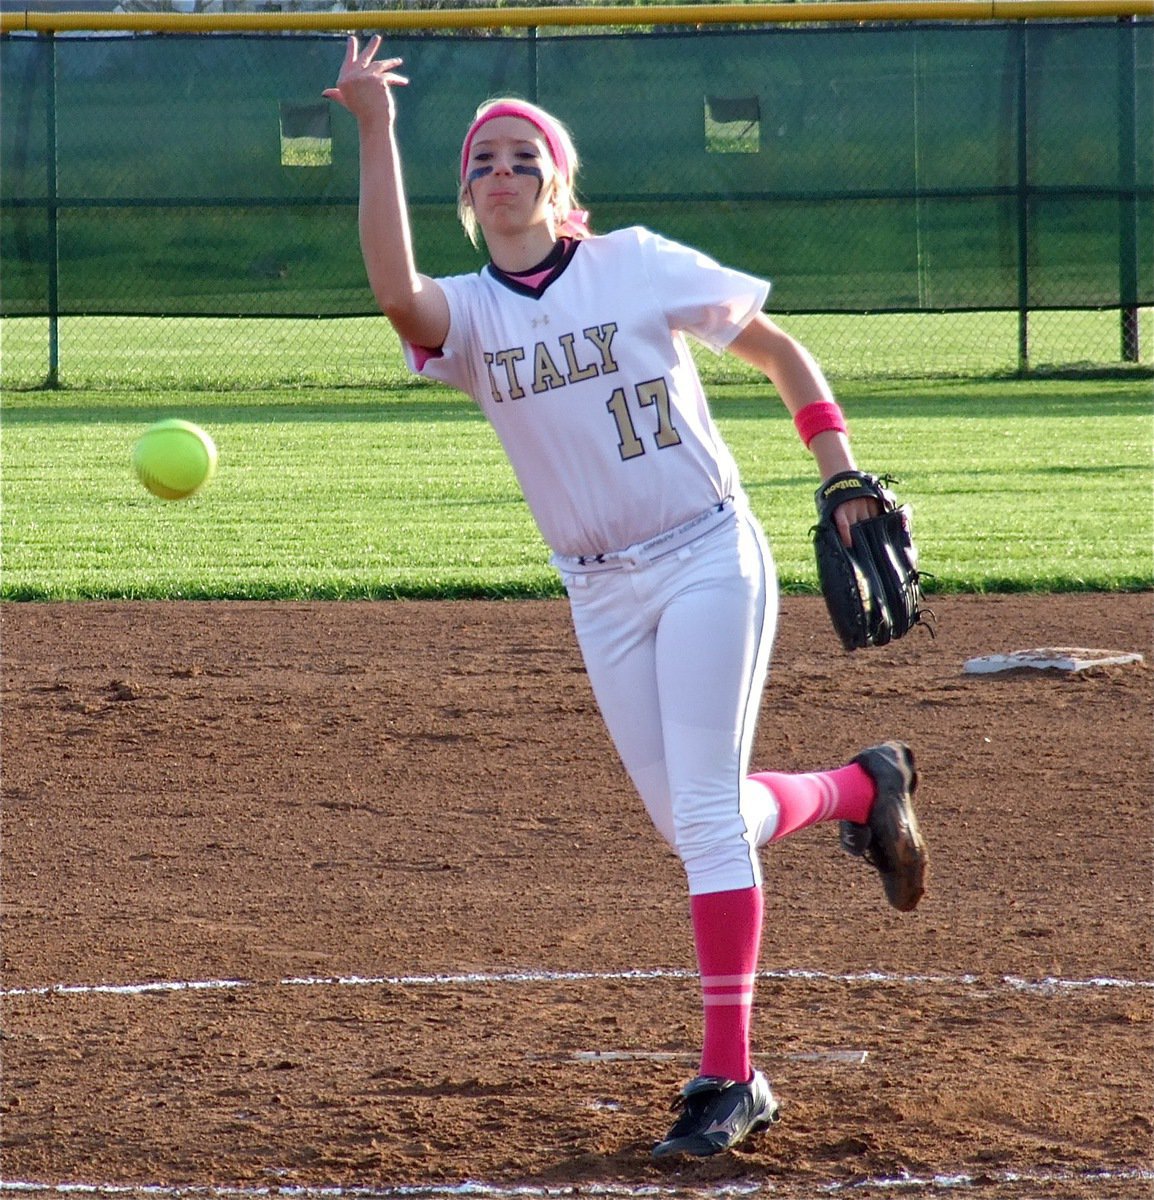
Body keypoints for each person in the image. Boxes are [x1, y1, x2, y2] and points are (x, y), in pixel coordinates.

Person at [324, 35, 928, 1160]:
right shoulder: (467, 316)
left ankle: (729, 1076)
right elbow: (393, 294)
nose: (501, 173)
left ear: (560, 185)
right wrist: (374, 128)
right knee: (694, 823)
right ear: (466, 194)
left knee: (701, 820)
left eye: (523, 156)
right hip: (598, 591)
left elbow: (779, 353)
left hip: (704, 551)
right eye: (483, 162)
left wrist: (836, 470)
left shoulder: (635, 263)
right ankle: (857, 788)